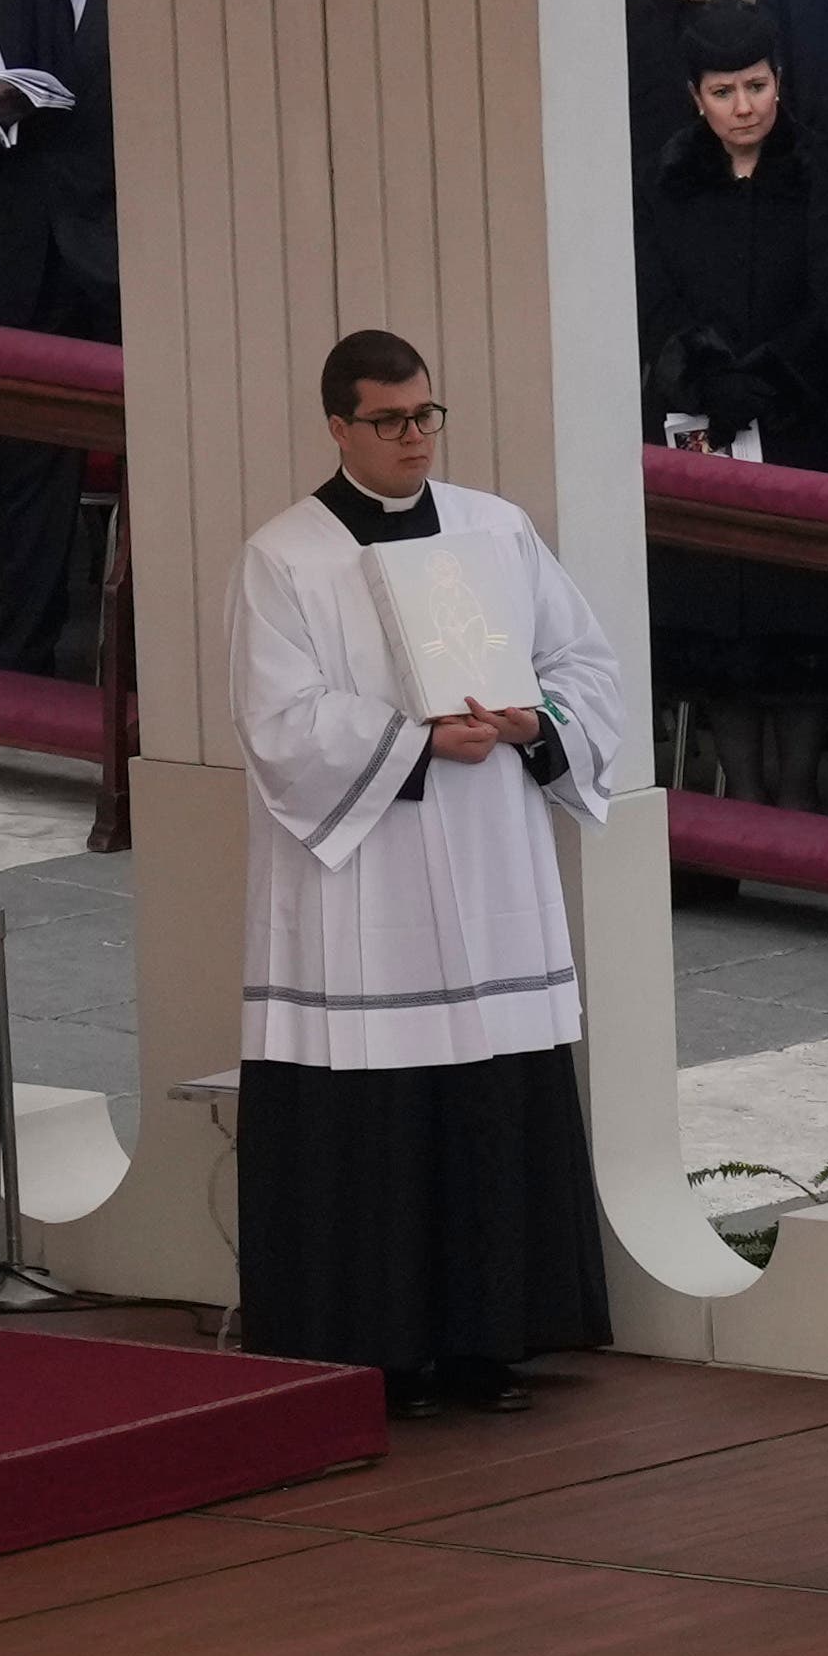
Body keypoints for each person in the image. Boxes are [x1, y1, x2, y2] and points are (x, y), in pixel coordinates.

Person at [230, 335, 625, 1414]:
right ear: (339, 428)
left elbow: (586, 664)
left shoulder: (496, 531)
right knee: (375, 1108)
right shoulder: (285, 557)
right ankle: (374, 1345)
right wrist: (409, 742)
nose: (415, 438)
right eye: (391, 421)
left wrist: (532, 721)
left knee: (490, 1090)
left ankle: (490, 1340)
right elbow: (277, 724)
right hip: (367, 875)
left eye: (426, 416)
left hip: (491, 851)